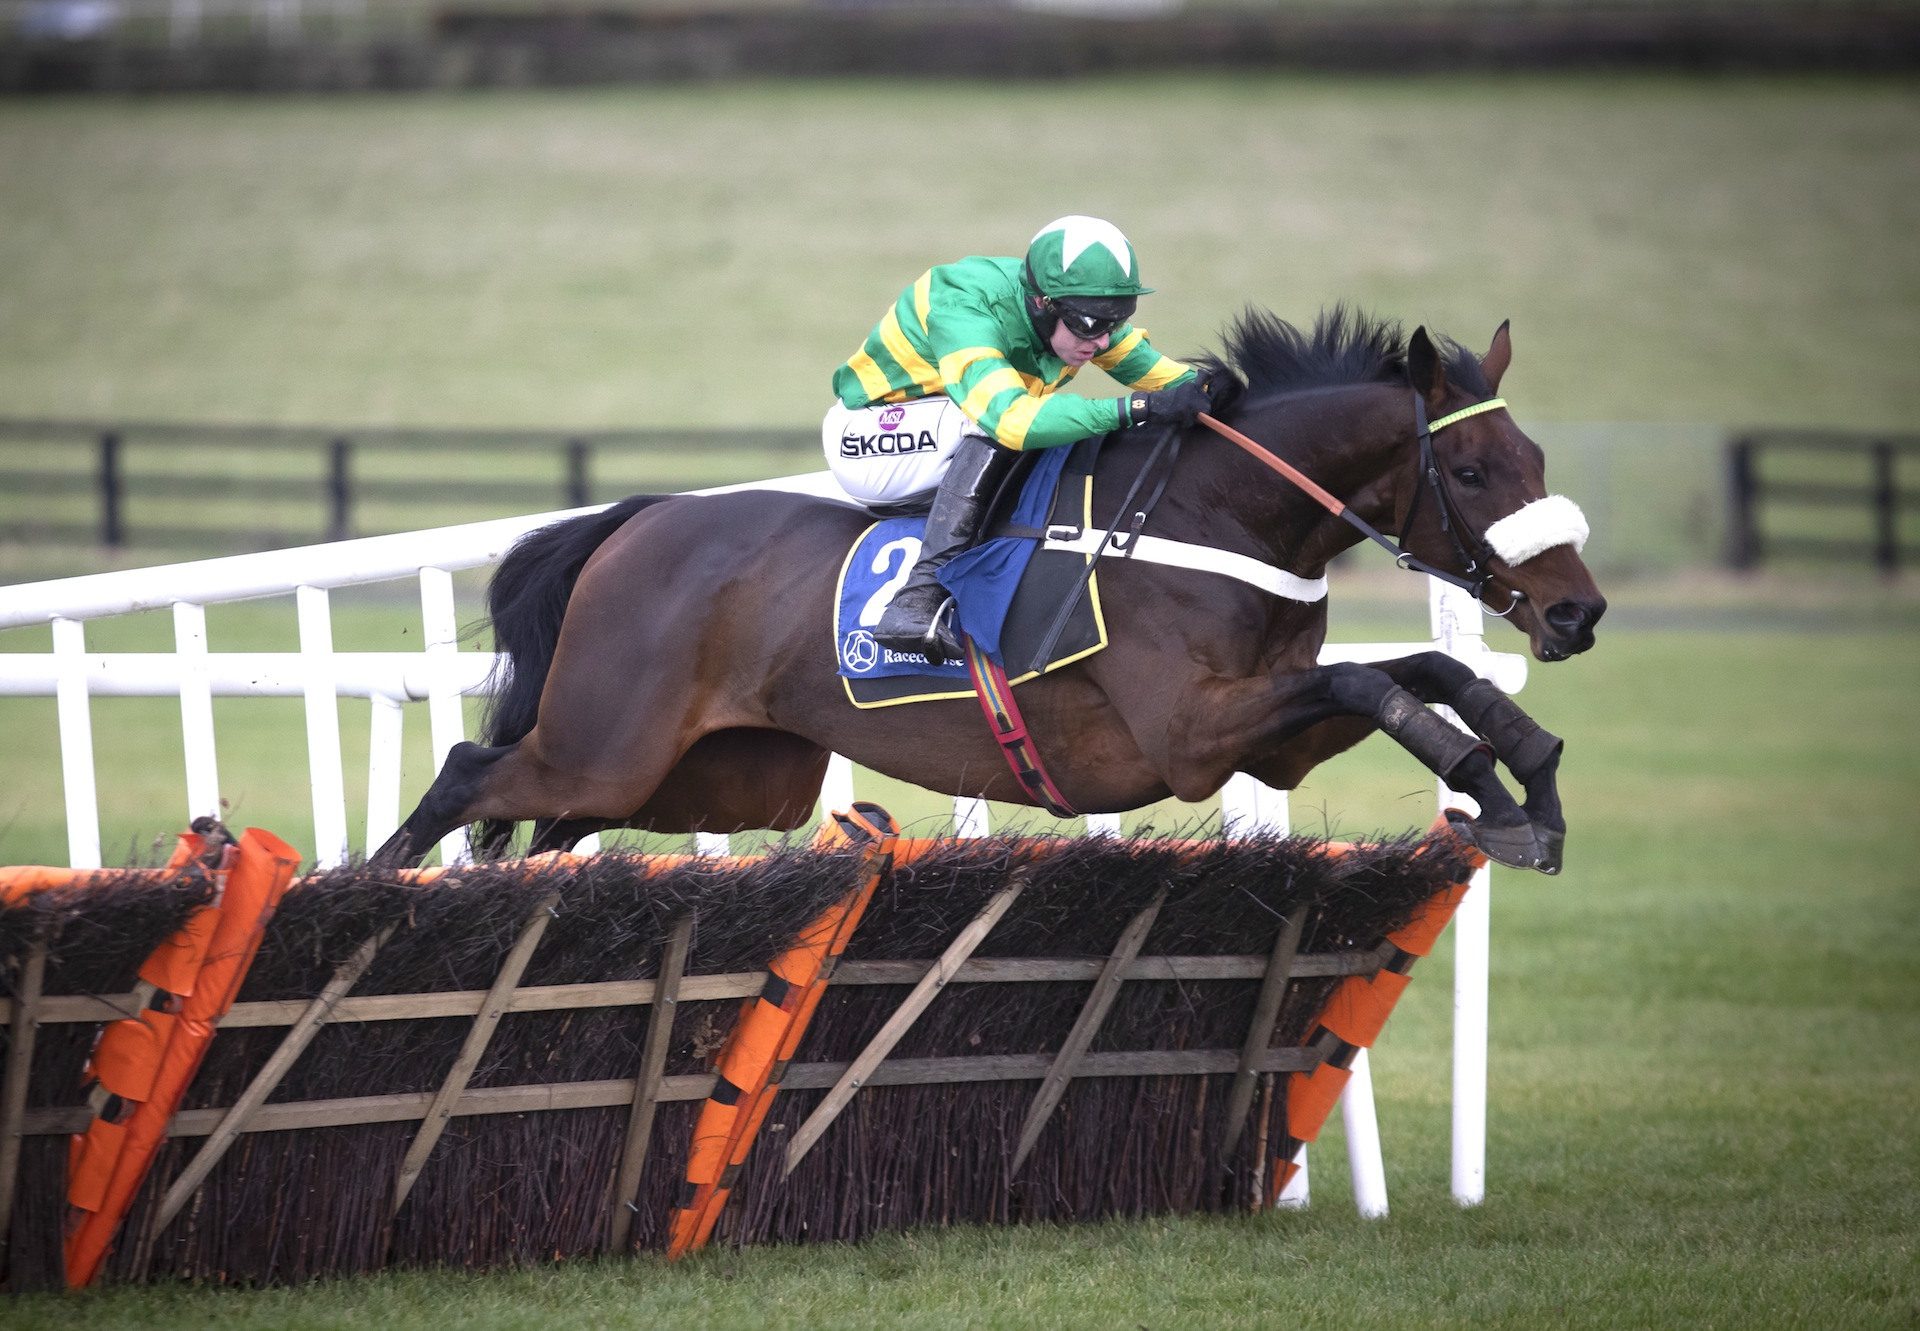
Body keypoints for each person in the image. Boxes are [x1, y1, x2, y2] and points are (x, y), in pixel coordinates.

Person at [823, 215, 1214, 662]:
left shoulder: (1077, 308)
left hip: (941, 436)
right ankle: (916, 598)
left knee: (1047, 432)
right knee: (999, 423)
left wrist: (1215, 391)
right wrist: (1137, 410)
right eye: (1090, 324)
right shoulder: (966, 305)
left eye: (1117, 320)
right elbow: (1009, 419)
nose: (1102, 341)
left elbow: (1163, 377)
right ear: (1043, 303)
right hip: (872, 440)